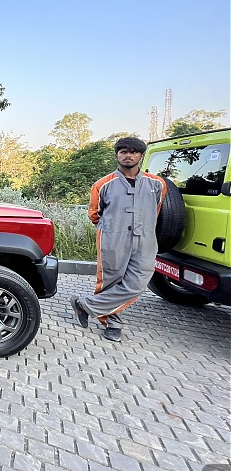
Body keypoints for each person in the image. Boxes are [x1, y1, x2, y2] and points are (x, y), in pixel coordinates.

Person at [71, 136, 166, 342]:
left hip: (145, 240)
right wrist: (112, 229)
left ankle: (84, 304)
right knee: (110, 281)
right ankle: (112, 323)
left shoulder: (157, 184)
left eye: (133, 152)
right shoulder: (103, 184)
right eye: (123, 152)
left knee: (138, 282)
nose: (128, 155)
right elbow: (95, 214)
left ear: (141, 156)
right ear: (117, 155)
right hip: (113, 239)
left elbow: (156, 209)